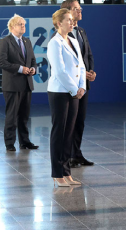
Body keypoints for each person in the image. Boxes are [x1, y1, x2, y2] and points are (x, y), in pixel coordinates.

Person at [47, 9, 86, 187]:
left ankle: (66, 171)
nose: (72, 22)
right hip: (60, 92)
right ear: (58, 24)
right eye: (68, 20)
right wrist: (74, 89)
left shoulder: (73, 40)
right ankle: (57, 173)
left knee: (69, 132)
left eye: (72, 20)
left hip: (74, 91)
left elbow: (82, 66)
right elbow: (60, 71)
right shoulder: (54, 43)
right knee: (59, 132)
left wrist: (82, 86)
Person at [61, 0, 96, 168]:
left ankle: (76, 154)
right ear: (67, 12)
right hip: (71, 86)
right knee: (70, 122)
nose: (80, 10)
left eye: (80, 8)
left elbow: (88, 54)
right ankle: (66, 157)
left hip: (84, 84)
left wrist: (90, 72)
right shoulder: (61, 35)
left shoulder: (81, 31)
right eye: (76, 8)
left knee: (80, 120)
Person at [0, 14, 38, 151]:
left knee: (24, 115)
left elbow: (32, 60)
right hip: (12, 85)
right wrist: (21, 69)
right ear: (12, 26)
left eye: (24, 24)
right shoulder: (4, 42)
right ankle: (9, 143)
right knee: (12, 116)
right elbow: (2, 63)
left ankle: (24, 141)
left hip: (26, 84)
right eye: (20, 24)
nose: (23, 26)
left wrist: (33, 69)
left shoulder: (27, 41)